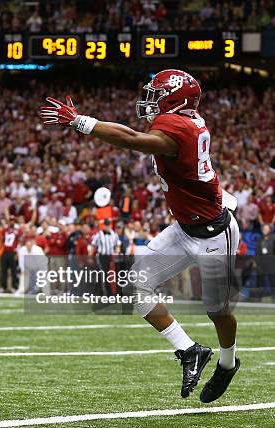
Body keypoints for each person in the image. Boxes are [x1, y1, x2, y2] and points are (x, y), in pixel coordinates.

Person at [41, 69, 240, 402]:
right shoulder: (185, 120)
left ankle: (228, 362)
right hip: (185, 227)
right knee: (135, 283)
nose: (150, 100)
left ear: (175, 100)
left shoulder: (177, 128)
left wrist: (82, 122)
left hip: (214, 234)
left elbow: (132, 140)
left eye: (156, 94)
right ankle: (189, 351)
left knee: (217, 311)